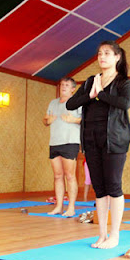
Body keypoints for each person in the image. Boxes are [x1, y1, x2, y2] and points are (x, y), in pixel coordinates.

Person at [67, 41, 130, 249]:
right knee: (100, 189)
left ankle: (115, 235)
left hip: (114, 140)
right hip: (91, 139)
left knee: (113, 186)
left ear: (117, 57)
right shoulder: (90, 82)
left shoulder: (123, 82)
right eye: (99, 53)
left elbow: (125, 103)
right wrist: (90, 95)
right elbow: (70, 103)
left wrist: (101, 94)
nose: (101, 57)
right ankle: (102, 235)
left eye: (106, 53)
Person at [43, 77, 82, 216]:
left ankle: (71, 208)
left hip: (70, 142)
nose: (63, 87)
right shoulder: (53, 103)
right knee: (57, 176)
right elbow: (45, 120)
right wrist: (48, 121)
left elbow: (86, 120)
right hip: (54, 142)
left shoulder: (77, 102)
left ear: (73, 89)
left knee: (70, 176)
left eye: (66, 85)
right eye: (62, 85)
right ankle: (59, 206)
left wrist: (74, 120)